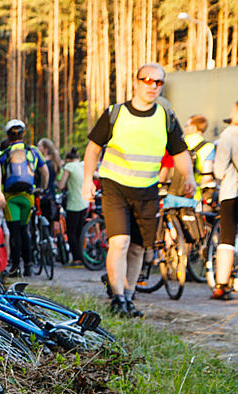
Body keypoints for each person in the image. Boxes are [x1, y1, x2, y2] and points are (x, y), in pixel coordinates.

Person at [82, 63, 195, 317]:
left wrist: (189, 177)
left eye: (158, 82)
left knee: (137, 248)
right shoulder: (116, 112)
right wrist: (87, 179)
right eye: (147, 80)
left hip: (147, 190)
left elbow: (180, 152)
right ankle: (117, 297)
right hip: (115, 186)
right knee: (119, 242)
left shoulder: (165, 116)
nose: (152, 86)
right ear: (136, 82)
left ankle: (129, 296)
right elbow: (92, 148)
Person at [0, 119, 48, 277]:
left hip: (10, 198)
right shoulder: (32, 151)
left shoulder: (4, 154)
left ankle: (15, 268)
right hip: (28, 196)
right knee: (25, 230)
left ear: (8, 135)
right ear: (23, 133)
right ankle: (29, 265)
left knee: (14, 232)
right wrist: (42, 188)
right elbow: (45, 172)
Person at [211, 100, 238, 299]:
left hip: (232, 193)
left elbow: (219, 170)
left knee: (227, 238)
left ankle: (222, 284)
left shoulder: (229, 135)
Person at [57, 148, 88, 265]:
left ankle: (76, 258)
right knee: (80, 231)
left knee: (71, 232)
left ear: (68, 159)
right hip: (84, 202)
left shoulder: (69, 167)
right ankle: (82, 256)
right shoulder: (82, 165)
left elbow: (61, 185)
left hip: (74, 203)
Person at [179, 114, 217, 204]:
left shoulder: (179, 144)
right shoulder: (208, 147)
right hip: (195, 195)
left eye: (186, 125)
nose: (185, 128)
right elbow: (207, 176)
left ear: (193, 127)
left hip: (174, 193)